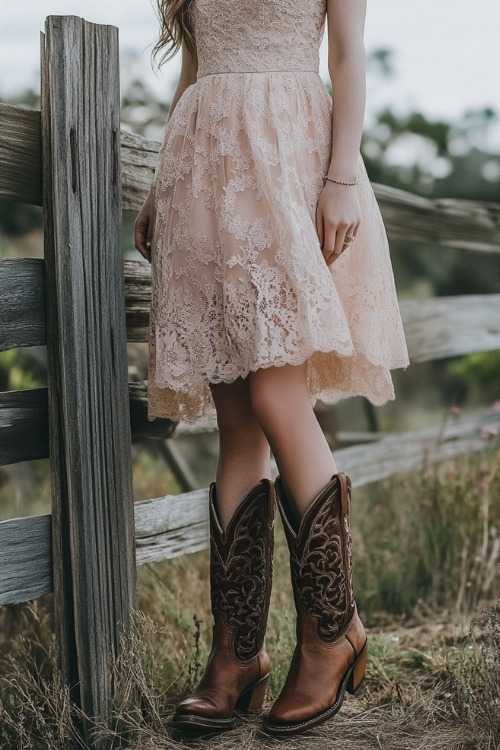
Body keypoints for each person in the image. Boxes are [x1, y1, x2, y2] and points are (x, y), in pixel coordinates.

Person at [135, 0, 409, 737]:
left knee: (275, 390)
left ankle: (331, 632)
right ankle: (236, 658)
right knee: (234, 418)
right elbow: (195, 61)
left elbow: (347, 53)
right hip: (204, 162)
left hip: (286, 155)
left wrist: (343, 172)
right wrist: (165, 180)